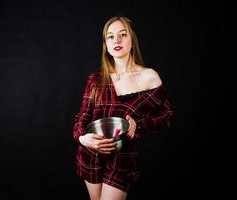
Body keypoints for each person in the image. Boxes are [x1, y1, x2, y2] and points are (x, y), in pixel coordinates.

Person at [72, 16, 174, 200]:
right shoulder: (95, 80)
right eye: (110, 37)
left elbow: (167, 116)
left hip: (123, 158)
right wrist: (83, 139)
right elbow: (81, 118)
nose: (116, 40)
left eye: (122, 35)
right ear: (106, 45)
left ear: (132, 40)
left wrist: (139, 125)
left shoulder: (148, 77)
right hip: (91, 154)